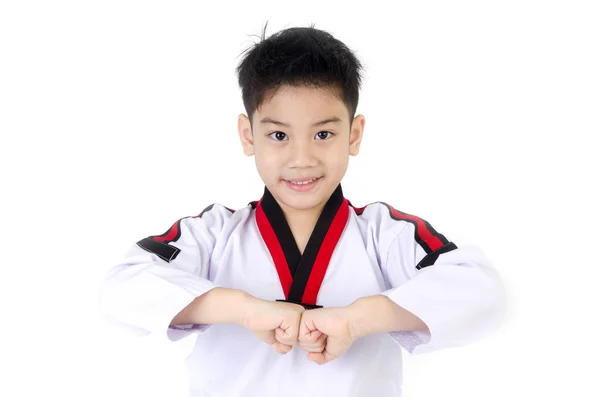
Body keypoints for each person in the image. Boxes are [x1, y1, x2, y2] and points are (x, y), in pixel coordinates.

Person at [99, 24, 506, 397]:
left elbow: (481, 290)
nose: (301, 159)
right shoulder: (214, 233)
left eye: (323, 134)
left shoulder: (386, 233)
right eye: (278, 135)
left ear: (355, 133)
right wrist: (244, 309)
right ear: (247, 135)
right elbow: (122, 288)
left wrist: (359, 318)